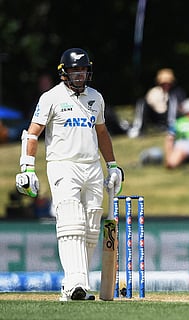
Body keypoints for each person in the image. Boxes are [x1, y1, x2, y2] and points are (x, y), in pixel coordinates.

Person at [15, 48, 124, 301]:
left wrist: (113, 165)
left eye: (83, 69)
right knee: (71, 222)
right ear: (64, 73)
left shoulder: (95, 97)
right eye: (75, 70)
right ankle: (75, 284)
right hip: (63, 164)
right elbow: (32, 133)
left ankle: (77, 285)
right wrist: (27, 167)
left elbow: (102, 133)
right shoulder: (51, 97)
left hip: (92, 166)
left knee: (91, 226)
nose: (79, 74)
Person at [128, 68, 186, 137]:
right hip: (156, 117)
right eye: (163, 83)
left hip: (172, 118)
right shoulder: (155, 91)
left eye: (168, 83)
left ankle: (171, 127)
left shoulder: (177, 92)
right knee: (141, 102)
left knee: (173, 100)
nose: (166, 85)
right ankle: (138, 128)